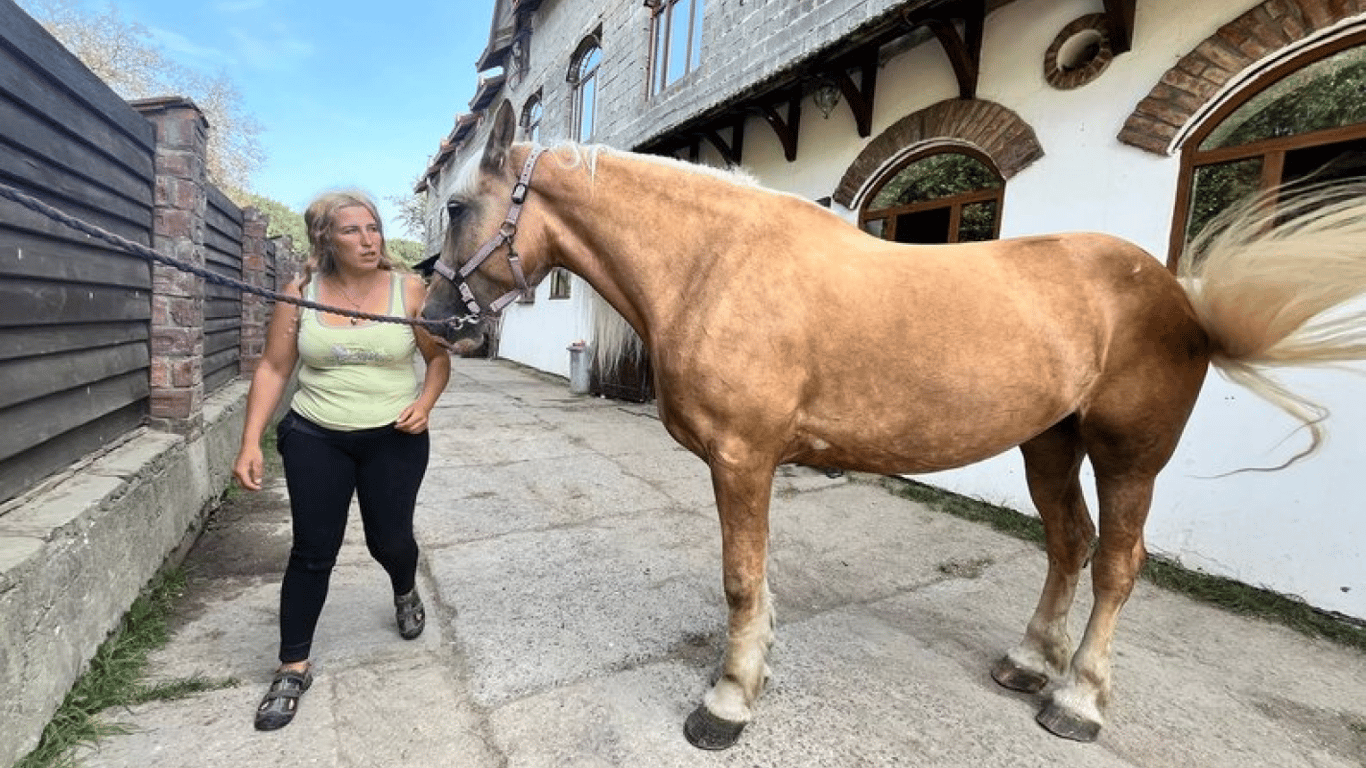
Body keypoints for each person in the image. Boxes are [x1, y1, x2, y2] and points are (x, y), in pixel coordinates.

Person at [232, 190, 451, 731]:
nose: (369, 239)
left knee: (390, 540)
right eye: (352, 230)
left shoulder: (410, 289)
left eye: (373, 228)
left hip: (393, 437)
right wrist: (249, 440)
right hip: (315, 435)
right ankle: (292, 665)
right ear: (324, 238)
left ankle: (403, 586)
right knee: (312, 550)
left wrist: (424, 404)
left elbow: (437, 359)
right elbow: (274, 368)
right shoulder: (301, 293)